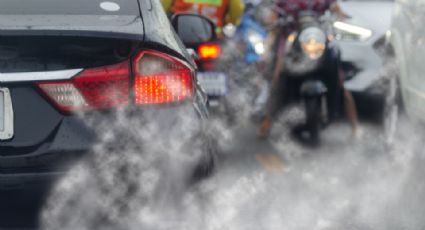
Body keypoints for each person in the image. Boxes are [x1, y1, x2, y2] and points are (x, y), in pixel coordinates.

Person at [257, 0, 361, 139]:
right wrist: (273, 21)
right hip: (292, 41)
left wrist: (343, 17)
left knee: (339, 80)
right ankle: (267, 122)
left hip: (318, 39)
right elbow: (274, 15)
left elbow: (335, 8)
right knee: (278, 76)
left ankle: (355, 127)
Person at [160, 0, 245, 35]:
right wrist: (228, 21)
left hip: (179, 33)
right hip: (213, 34)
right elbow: (237, 11)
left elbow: (161, 9)